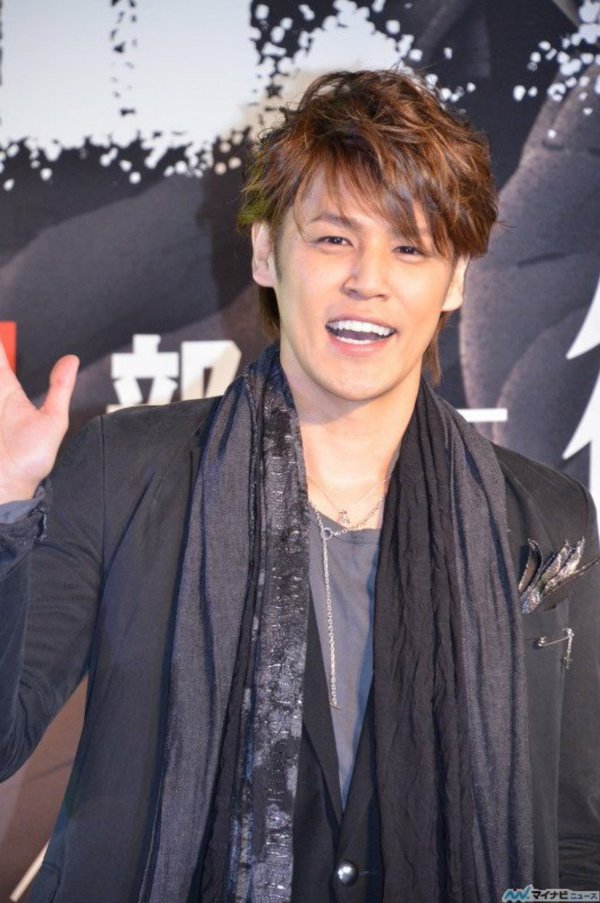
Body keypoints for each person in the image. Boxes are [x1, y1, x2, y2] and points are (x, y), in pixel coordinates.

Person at [0, 69, 598, 903]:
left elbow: (572, 840)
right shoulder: (124, 471)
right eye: (332, 238)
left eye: (410, 246)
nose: (368, 278)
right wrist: (7, 511)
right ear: (264, 252)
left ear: (457, 277)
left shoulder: (544, 517)